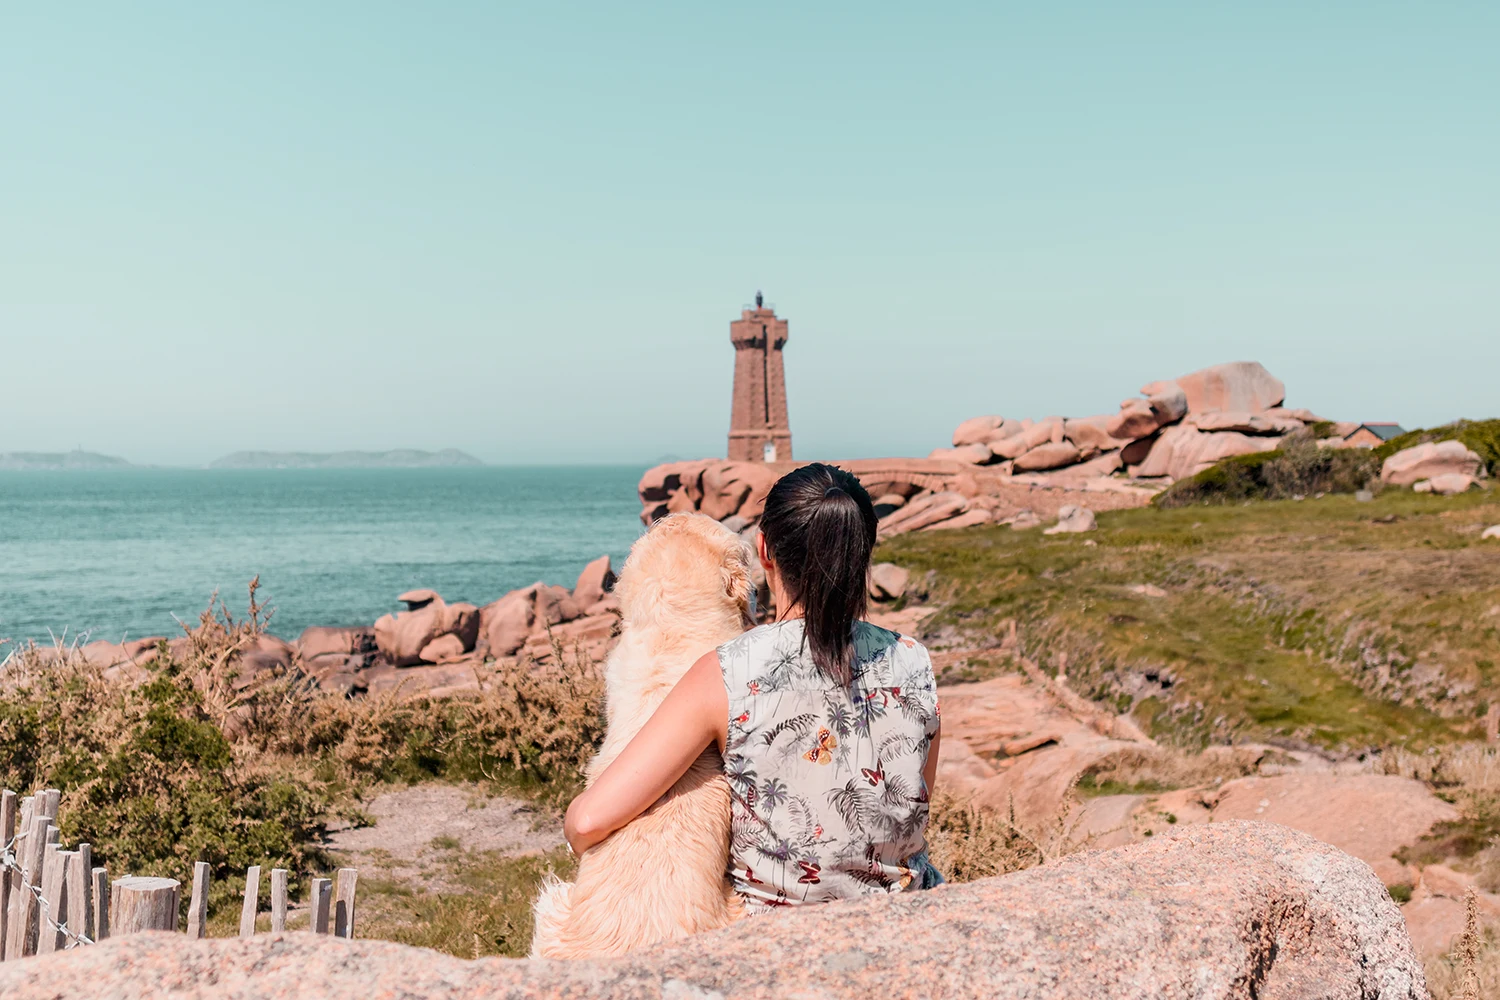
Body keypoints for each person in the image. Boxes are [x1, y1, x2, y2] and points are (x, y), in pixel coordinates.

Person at [564, 462, 943, 909]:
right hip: (911, 915)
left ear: (764, 550)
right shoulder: (914, 660)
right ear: (862, 552)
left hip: (779, 937)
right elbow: (911, 810)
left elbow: (588, 822)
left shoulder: (729, 671)